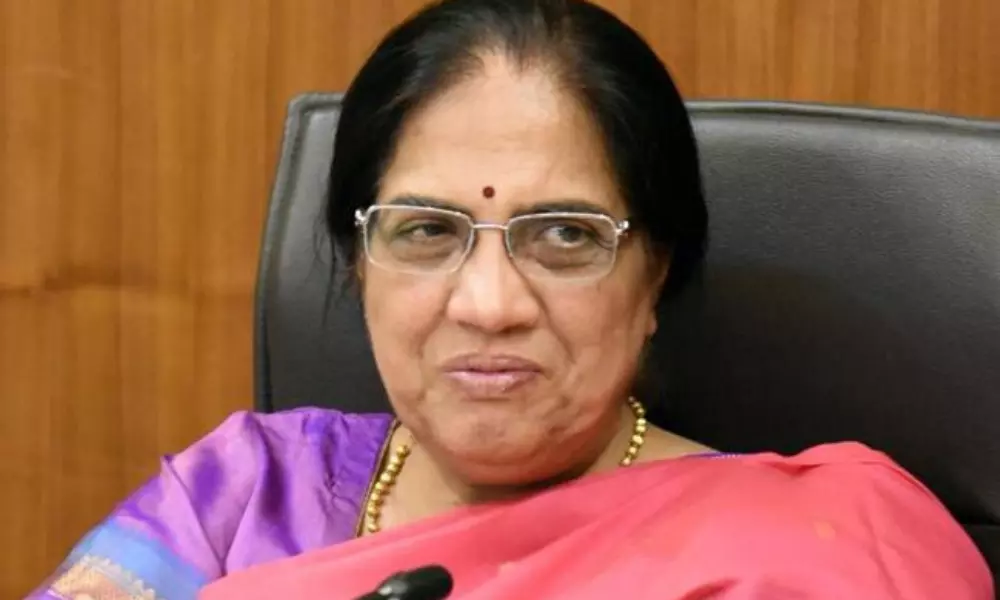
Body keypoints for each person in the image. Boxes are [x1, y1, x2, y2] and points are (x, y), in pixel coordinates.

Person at [31, 0, 992, 598]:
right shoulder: (239, 496)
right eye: (425, 232)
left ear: (655, 273)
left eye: (566, 236)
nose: (489, 304)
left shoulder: (819, 549)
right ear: (357, 264)